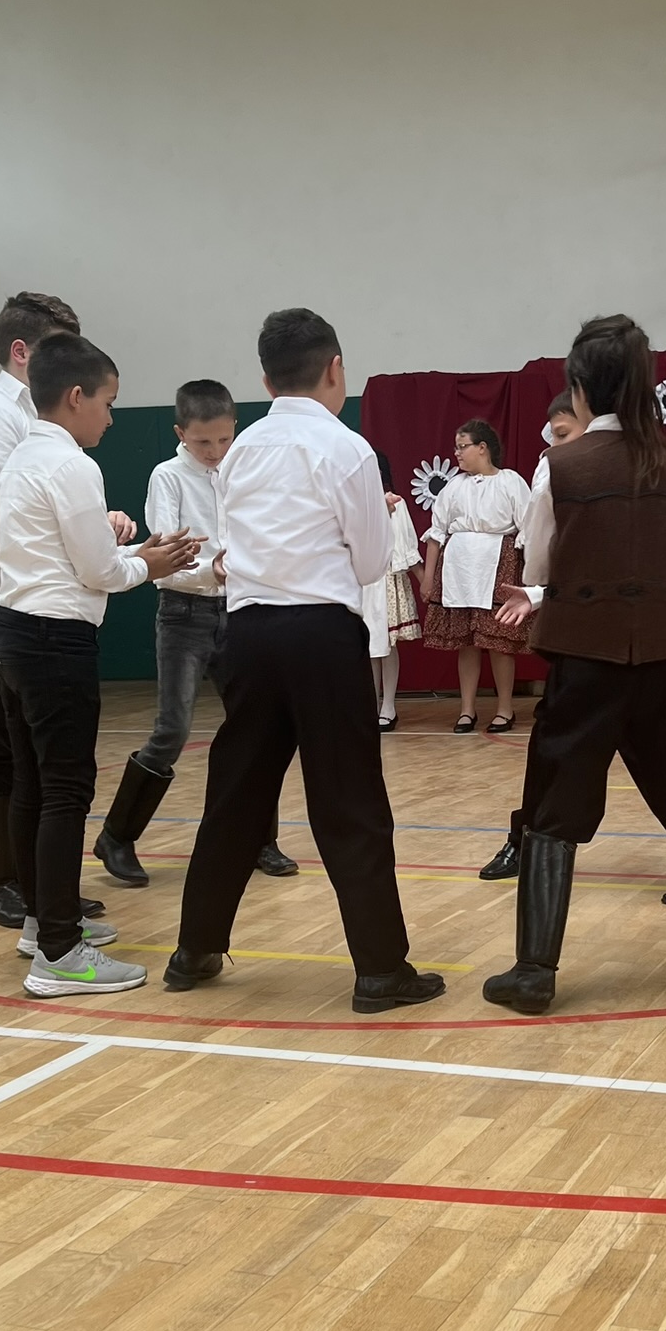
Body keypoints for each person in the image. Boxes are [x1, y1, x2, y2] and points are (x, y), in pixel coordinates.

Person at [165, 307, 444, 1014]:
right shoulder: (347, 449)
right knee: (349, 799)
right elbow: (372, 562)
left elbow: (232, 546)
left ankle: (195, 949)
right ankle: (379, 970)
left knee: (237, 793)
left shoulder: (240, 453)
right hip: (321, 634)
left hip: (247, 635)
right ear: (336, 369)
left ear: (265, 381)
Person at [481, 313, 666, 1015]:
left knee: (554, 811)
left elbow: (542, 566)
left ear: (579, 387)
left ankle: (534, 973)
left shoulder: (560, 467)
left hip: (586, 664)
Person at [0, 332, 198, 997]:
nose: (111, 416)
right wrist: (150, 564)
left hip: (12, 631)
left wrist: (133, 552)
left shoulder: (23, 456)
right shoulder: (72, 465)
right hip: (52, 640)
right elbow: (98, 573)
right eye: (108, 403)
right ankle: (59, 953)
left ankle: (40, 923)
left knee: (32, 786)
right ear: (76, 397)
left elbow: (71, 553)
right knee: (65, 791)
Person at [0, 292, 111, 932]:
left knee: (39, 755)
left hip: (22, 593)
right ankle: (1, 880)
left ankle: (45, 890)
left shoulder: (46, 423)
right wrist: (83, 541)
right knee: (3, 745)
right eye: (59, 346)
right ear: (22, 352)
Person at [93, 379, 298, 886]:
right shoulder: (168, 477)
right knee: (173, 729)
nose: (215, 450)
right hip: (184, 614)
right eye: (204, 441)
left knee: (257, 727)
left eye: (225, 439)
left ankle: (259, 838)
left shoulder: (243, 468)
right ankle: (117, 836)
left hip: (243, 611)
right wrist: (213, 570)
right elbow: (164, 562)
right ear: (180, 433)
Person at [478, 395, 586, 880]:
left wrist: (542, 588)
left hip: (640, 641)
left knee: (664, 763)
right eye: (553, 435)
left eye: (564, 433)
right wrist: (540, 593)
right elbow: (547, 552)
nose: (553, 445)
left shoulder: (646, 467)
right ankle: (525, 843)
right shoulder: (557, 470)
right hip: (583, 638)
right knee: (549, 747)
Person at [421, 422, 530, 733]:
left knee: (498, 641)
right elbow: (437, 533)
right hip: (459, 569)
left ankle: (505, 709)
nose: (457, 453)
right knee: (466, 642)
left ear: (482, 448)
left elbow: (529, 530)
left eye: (462, 446)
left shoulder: (510, 482)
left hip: (498, 565)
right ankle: (467, 709)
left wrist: (530, 577)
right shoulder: (454, 486)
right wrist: (428, 578)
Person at [364, 452, 422, 732]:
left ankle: (388, 705)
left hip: (387, 577)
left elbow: (406, 546)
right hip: (361, 579)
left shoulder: (395, 502)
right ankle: (370, 703)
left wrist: (424, 581)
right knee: (368, 646)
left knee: (386, 644)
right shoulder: (354, 504)